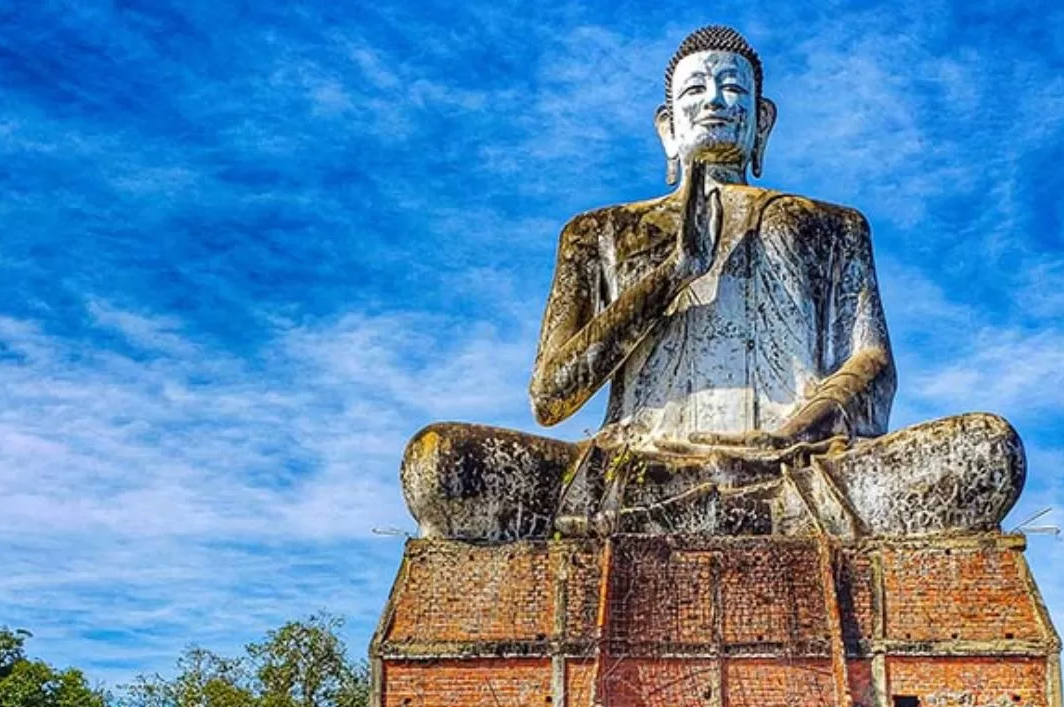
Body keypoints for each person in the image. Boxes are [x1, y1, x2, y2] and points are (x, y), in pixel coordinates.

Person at [401, 25, 1024, 541]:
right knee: (438, 465)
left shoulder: (831, 226)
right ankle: (727, 512)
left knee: (987, 451)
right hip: (636, 469)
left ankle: (743, 507)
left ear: (763, 122)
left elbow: (872, 364)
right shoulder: (599, 232)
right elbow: (551, 395)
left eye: (734, 89)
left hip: (795, 471)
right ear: (668, 126)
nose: (717, 101)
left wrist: (795, 433)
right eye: (696, 89)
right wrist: (672, 272)